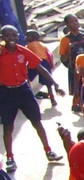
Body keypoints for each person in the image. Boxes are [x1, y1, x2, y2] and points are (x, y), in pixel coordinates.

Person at [1, 24, 62, 170]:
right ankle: (10, 158)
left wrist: (55, 84)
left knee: (37, 122)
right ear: (2, 37)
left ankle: (49, 151)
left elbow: (41, 68)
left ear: (18, 36)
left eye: (14, 35)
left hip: (23, 90)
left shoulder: (24, 51)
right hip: (6, 93)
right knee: (8, 127)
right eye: (7, 36)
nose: (11, 38)